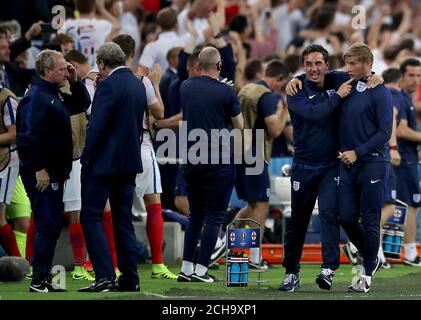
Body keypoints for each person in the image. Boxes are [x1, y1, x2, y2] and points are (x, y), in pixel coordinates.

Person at [16, 49, 91, 293]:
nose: (66, 69)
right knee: (47, 224)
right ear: (47, 71)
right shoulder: (36, 97)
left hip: (55, 171)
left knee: (50, 223)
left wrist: (75, 80)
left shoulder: (53, 94)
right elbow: (26, 136)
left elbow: (81, 104)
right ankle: (39, 280)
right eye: (61, 67)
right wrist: (40, 169)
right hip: (43, 173)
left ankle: (44, 278)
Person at [279, 44, 352, 292]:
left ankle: (328, 269)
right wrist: (337, 96)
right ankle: (291, 272)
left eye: (318, 63)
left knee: (331, 216)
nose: (313, 69)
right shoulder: (296, 89)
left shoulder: (336, 79)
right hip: (303, 166)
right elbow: (314, 114)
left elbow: (359, 71)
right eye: (308, 64)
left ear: (327, 65)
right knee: (298, 220)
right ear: (303, 66)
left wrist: (376, 75)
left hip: (331, 165)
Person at [79, 42, 147, 293]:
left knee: (90, 215)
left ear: (101, 64)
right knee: (123, 220)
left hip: (104, 163)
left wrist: (87, 157)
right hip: (129, 161)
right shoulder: (137, 83)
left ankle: (105, 275)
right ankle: (130, 278)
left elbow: (97, 125)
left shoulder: (108, 85)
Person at [112, 34, 177, 280]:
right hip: (141, 145)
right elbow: (159, 113)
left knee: (116, 208)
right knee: (153, 203)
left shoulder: (101, 80)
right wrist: (156, 83)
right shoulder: (141, 81)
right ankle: (158, 265)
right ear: (132, 54)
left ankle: (116, 265)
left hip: (114, 148)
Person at [177, 47, 243, 283]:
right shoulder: (226, 92)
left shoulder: (185, 87)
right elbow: (240, 124)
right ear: (219, 66)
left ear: (197, 66)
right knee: (215, 216)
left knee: (195, 215)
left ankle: (186, 268)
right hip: (218, 159)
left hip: (192, 158)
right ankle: (202, 270)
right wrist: (227, 92)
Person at [338, 43, 392, 293]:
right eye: (346, 63)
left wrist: (357, 152)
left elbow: (385, 132)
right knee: (346, 217)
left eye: (352, 63)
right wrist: (291, 82)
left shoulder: (380, 91)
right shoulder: (347, 83)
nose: (347, 68)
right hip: (349, 164)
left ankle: (367, 273)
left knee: (370, 218)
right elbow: (317, 76)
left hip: (372, 162)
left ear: (367, 63)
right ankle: (373, 256)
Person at [233, 59, 289, 270]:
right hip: (254, 154)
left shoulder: (247, 89)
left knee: (253, 205)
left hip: (240, 151)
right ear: (279, 79)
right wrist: (285, 110)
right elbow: (275, 130)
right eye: (281, 85)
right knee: (261, 205)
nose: (280, 89)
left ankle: (224, 245)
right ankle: (254, 257)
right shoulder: (266, 96)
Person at [395, 58, 421, 266]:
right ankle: (411, 253)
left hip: (407, 159)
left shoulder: (406, 100)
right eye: (411, 75)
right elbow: (401, 130)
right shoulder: (401, 100)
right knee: (409, 206)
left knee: (407, 206)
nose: (416, 80)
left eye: (419, 76)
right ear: (402, 77)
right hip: (404, 160)